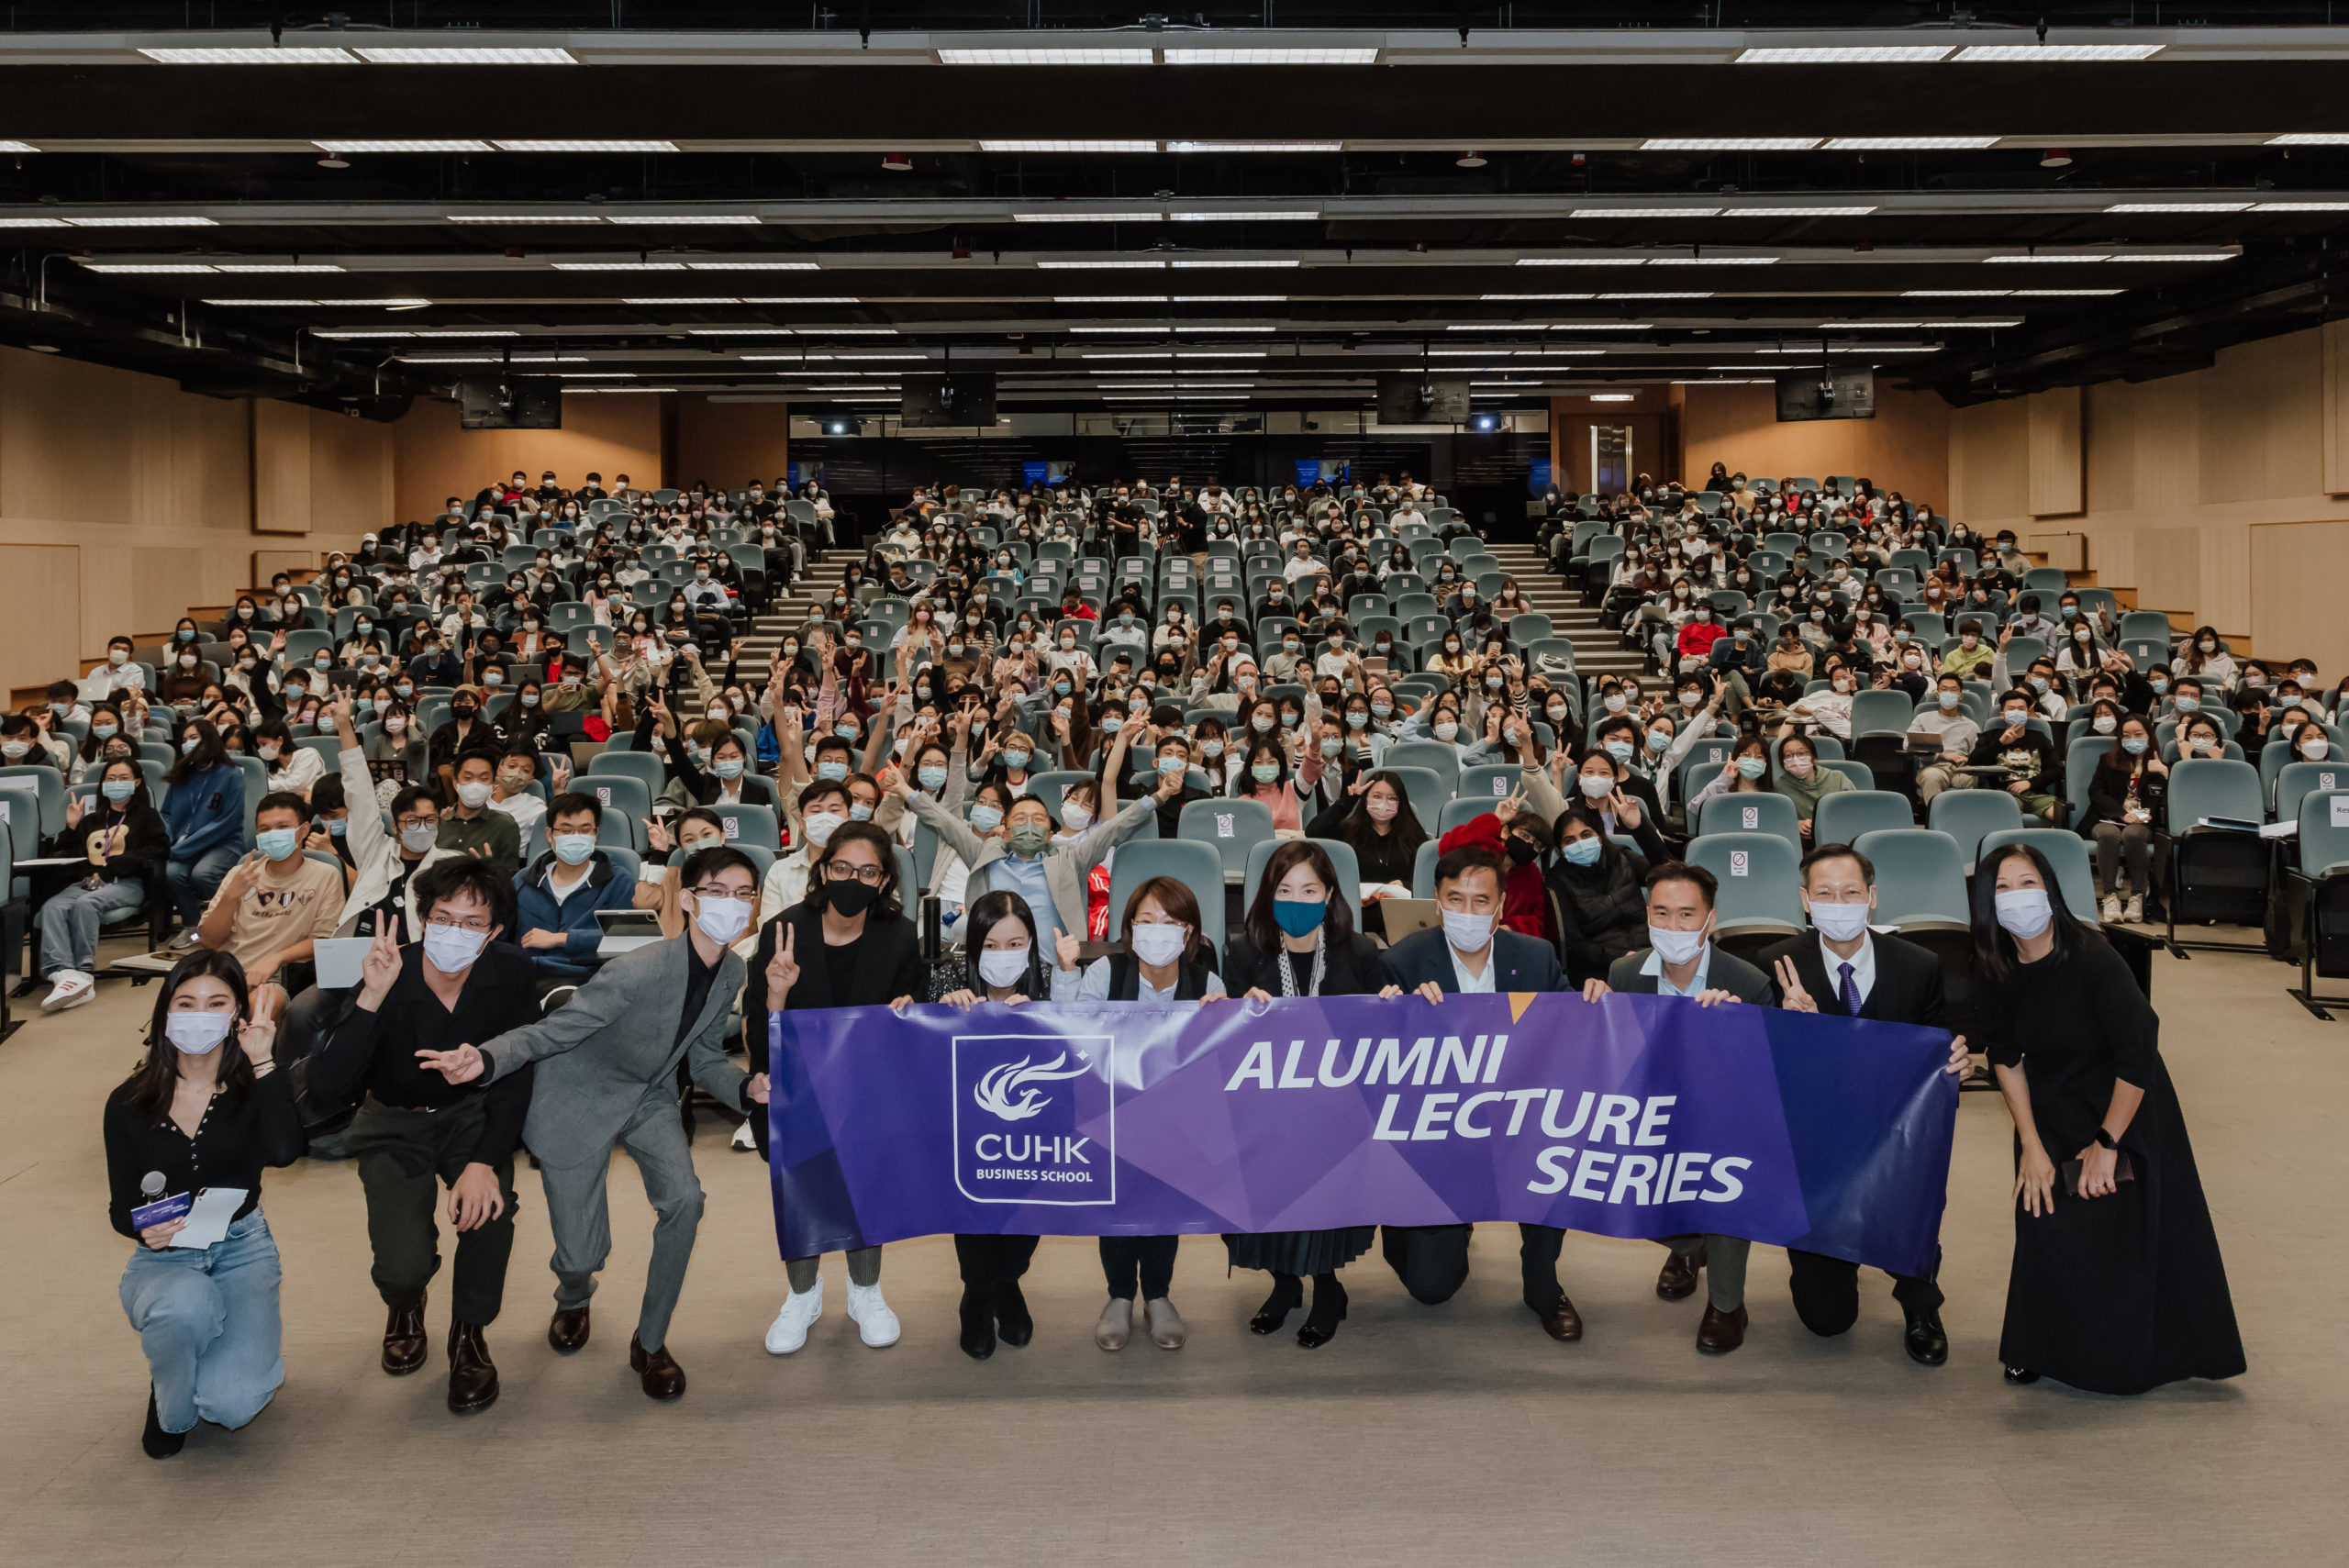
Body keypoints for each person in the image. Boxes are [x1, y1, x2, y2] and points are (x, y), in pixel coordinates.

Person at [414, 845, 766, 1401]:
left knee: (686, 1201)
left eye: (745, 893)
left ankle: (650, 1343)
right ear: (691, 900)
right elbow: (552, 1032)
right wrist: (484, 1057)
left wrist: (747, 1088)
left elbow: (703, 1060)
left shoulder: (734, 969)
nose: (734, 903)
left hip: (647, 1096)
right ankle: (574, 1297)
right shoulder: (637, 970)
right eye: (719, 891)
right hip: (576, 1097)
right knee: (580, 1255)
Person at [1973, 841, 2244, 1394]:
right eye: (2002, 887)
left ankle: (2128, 1353)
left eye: (2028, 883)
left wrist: (2106, 1142)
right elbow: (2004, 1057)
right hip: (2050, 1103)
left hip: (2124, 1102)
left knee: (2114, 1223)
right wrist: (2030, 1143)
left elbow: (2138, 1052)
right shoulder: (1993, 967)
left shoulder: (2093, 957)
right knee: (2041, 1210)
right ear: (1986, 902)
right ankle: (2036, 1345)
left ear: (2050, 890)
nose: (2017, 897)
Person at [306, 860, 539, 1414]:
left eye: (471, 922)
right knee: (402, 1261)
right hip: (394, 1120)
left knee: (490, 1214)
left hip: (471, 1114)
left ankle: (469, 1336)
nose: (454, 932)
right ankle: (405, 1302)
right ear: (422, 918)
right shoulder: (387, 971)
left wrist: (486, 1161)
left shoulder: (510, 972)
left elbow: (520, 1069)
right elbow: (325, 1084)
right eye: (442, 917)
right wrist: (371, 996)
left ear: (493, 933)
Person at [1759, 844, 1973, 1366]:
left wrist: (1954, 1068)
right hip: (1816, 1153)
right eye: (1825, 893)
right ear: (1805, 901)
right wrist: (1788, 1028)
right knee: (1826, 1322)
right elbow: (1759, 1074)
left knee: (1909, 1210)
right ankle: (1834, 1253)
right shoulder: (1777, 964)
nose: (1839, 902)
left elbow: (1933, 1057)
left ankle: (1921, 1302)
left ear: (1872, 898)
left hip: (1894, 1140)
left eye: (1851, 892)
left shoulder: (1919, 965)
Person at [104, 951, 301, 1459]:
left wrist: (263, 1060)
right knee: (182, 1309)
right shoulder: (128, 1102)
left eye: (216, 1003)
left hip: (242, 1248)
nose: (198, 1014)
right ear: (166, 1012)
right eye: (186, 1003)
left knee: (232, 1405)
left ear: (236, 1015)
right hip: (164, 1259)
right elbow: (121, 1206)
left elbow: (284, 1152)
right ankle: (171, 1386)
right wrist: (143, 1228)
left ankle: (197, 1357)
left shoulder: (254, 1086)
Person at [1384, 843, 1580, 1342]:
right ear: (1436, 902)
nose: (1466, 912)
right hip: (1439, 1136)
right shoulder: (1404, 962)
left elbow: (1574, 1037)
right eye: (1455, 899)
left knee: (1557, 1152)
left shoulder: (1536, 957)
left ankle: (1543, 1284)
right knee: (1430, 1288)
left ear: (1499, 905)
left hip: (1520, 1124)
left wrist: (1594, 1006)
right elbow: (1379, 1069)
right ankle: (1422, 1229)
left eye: (1479, 901)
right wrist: (1391, 1013)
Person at [747, 821, 927, 1356]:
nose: (853, 879)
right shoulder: (782, 930)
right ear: (823, 871)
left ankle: (865, 1290)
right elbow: (759, 1029)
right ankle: (802, 1294)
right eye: (842, 867)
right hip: (800, 1086)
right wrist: (778, 992)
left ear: (885, 878)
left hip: (869, 1087)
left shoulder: (899, 933)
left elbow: (910, 1010)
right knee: (801, 1186)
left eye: (868, 871)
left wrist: (908, 1013)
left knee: (864, 1186)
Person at [1582, 862, 1772, 1351]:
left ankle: (1727, 1304)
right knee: (1593, 1173)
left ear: (1711, 919)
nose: (1673, 927)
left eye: (1687, 915)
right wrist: (1593, 1017)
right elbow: (1614, 1061)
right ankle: (1690, 1246)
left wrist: (1734, 1031)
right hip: (1651, 1118)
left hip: (1723, 1123)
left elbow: (1764, 1083)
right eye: (1661, 913)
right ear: (1647, 915)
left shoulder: (1748, 982)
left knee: (1724, 1182)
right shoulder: (1624, 972)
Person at [1219, 840, 1396, 1348]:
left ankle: (1327, 1289)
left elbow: (1382, 1038)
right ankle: (1284, 1284)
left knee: (1322, 1195)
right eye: (1284, 889)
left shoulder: (1361, 953)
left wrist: (1389, 1007)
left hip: (1338, 1116)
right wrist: (1232, 1012)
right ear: (1267, 895)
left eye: (1309, 890)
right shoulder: (1243, 953)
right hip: (1266, 1114)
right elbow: (1225, 1048)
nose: (1297, 899)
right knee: (1265, 1191)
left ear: (1330, 894)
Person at [1063, 875, 1225, 1351]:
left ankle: (1158, 1296)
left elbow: (1217, 1056)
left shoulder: (1207, 982)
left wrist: (1223, 1016)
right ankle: (1118, 1295)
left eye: (1171, 922)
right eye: (1147, 920)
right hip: (1111, 1115)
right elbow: (1073, 1033)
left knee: (1162, 1210)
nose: (1159, 931)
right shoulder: (1106, 973)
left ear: (1189, 933)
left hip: (1175, 1123)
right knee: (1116, 1208)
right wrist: (1068, 973)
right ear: (1130, 929)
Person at [920, 888, 1081, 1359]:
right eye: (991, 945)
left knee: (1024, 1216)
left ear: (1031, 945)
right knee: (974, 1215)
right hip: (968, 1133)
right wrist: (943, 1013)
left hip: (1036, 1134)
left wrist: (1049, 1008)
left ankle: (1006, 1282)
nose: (1004, 955)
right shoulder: (946, 978)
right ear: (973, 945)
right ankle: (976, 1295)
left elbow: (1082, 1042)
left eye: (1015, 944)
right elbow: (916, 1048)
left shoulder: (1051, 981)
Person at [195, 792, 344, 1012]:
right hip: (228, 971)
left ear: (303, 830)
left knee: (263, 1004)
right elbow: (209, 941)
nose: (273, 834)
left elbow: (323, 940)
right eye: (265, 830)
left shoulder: (325, 875)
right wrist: (231, 896)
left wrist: (277, 957)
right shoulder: (240, 874)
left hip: (280, 975)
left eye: (282, 827)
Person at [38, 756, 166, 1011]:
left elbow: (159, 848)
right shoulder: (91, 820)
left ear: (137, 782)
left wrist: (110, 871)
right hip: (87, 882)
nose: (116, 783)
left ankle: (84, 972)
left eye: (123, 778)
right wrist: (71, 827)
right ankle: (62, 972)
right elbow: (65, 854)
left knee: (87, 903)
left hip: (126, 883)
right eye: (110, 778)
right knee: (52, 907)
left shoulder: (146, 816)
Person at [512, 793, 640, 989]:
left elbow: (625, 937)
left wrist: (563, 939)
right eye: (566, 830)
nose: (576, 837)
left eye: (585, 830)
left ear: (596, 834)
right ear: (550, 835)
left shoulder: (617, 881)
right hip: (524, 977)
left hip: (587, 981)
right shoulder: (522, 881)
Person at [161, 718, 245, 945]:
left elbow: (229, 820)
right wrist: (170, 841)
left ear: (209, 740)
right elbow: (166, 813)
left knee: (203, 874)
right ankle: (192, 928)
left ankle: (229, 922)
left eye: (194, 738)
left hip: (222, 842)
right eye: (185, 740)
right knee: (172, 873)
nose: (189, 744)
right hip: (183, 846)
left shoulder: (231, 773)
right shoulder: (181, 774)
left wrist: (182, 848)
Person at [2084, 715, 2167, 924]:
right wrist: (2121, 814)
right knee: (2108, 834)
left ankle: (2137, 896)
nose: (2132, 739)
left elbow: (2168, 801)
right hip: (2107, 819)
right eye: (2126, 735)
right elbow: (2096, 793)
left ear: (2149, 736)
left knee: (2133, 834)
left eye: (2138, 734)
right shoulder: (2108, 761)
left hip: (2143, 823)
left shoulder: (2160, 765)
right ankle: (2110, 895)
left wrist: (2166, 774)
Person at [438, 747, 522, 880]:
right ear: (455, 783)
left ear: (493, 785)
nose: (475, 785)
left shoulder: (505, 826)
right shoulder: (438, 823)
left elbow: (511, 879)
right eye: (468, 778)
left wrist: (488, 871)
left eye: (483, 778)